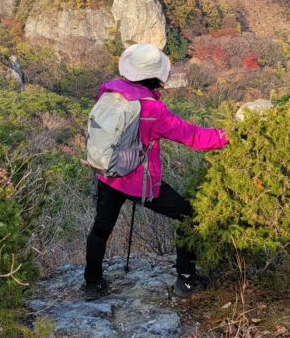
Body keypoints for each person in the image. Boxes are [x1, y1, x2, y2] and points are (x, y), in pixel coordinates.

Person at [83, 42, 228, 300]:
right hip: (138, 181)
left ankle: (92, 284)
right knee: (187, 214)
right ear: (156, 76)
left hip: (109, 174)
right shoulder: (153, 109)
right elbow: (193, 136)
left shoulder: (108, 91)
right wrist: (227, 136)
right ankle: (186, 279)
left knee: (100, 228)